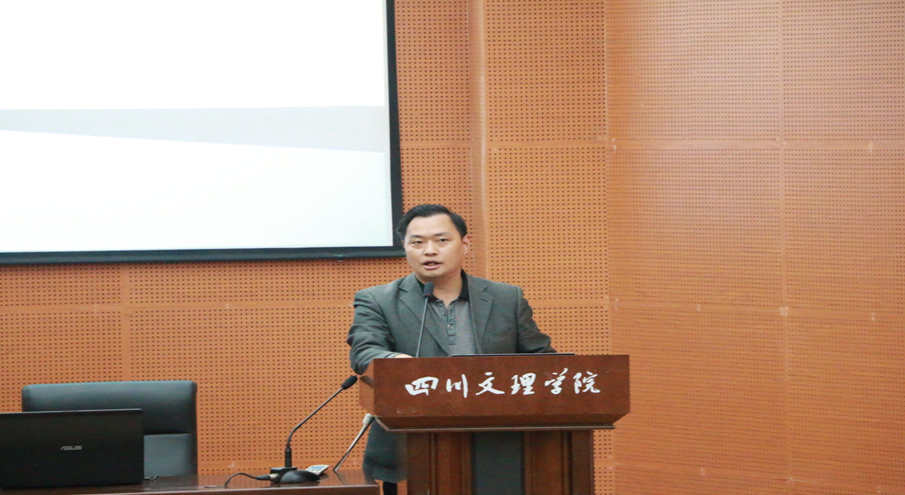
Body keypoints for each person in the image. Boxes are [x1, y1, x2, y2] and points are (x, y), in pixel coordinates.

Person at [347, 204, 555, 495]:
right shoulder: (377, 300)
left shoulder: (506, 298)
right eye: (417, 242)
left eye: (441, 240)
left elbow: (542, 359)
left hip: (498, 444)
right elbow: (365, 350)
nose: (429, 251)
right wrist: (395, 361)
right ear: (405, 248)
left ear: (465, 244)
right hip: (411, 445)